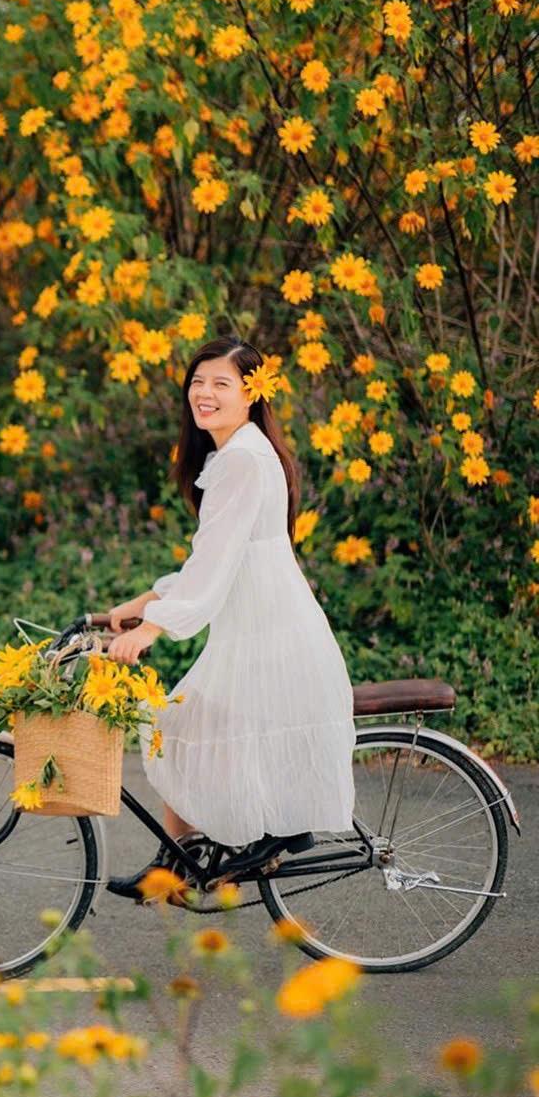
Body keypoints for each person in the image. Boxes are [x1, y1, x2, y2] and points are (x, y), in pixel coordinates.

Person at [96, 335, 358, 900]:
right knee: (184, 728)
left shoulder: (242, 458)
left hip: (269, 637)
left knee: (174, 728)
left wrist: (153, 628)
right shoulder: (239, 453)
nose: (205, 394)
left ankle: (207, 857)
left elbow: (213, 567)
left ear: (251, 393)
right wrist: (140, 605)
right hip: (265, 628)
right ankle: (205, 856)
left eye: (222, 383)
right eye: (198, 382)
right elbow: (214, 560)